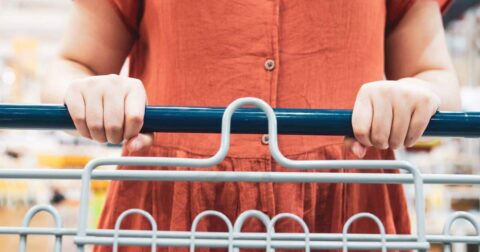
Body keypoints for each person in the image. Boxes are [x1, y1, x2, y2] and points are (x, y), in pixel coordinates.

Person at [42, 0, 460, 251]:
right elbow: (71, 65)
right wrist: (90, 92)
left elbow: (436, 78)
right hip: (168, 207)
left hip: (350, 212)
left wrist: (415, 93)